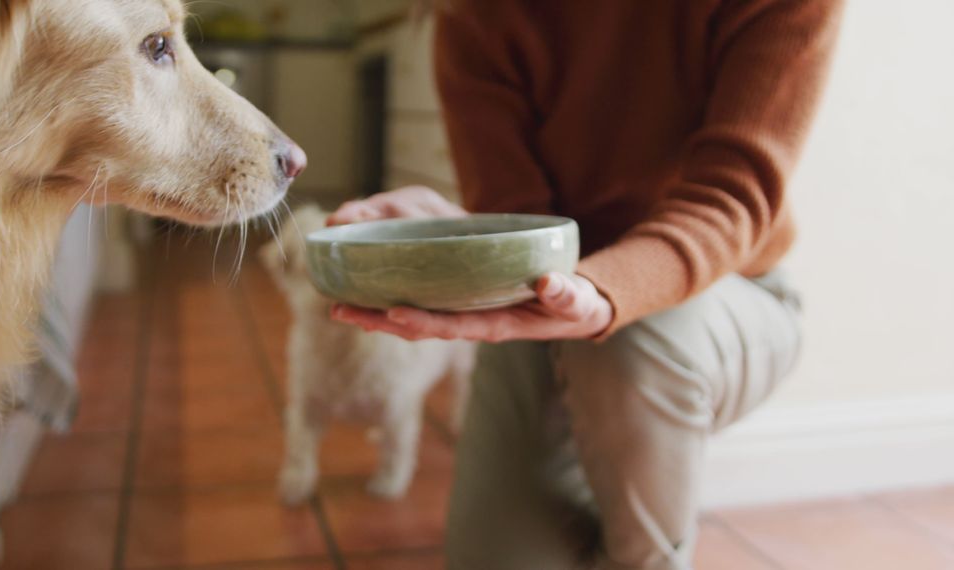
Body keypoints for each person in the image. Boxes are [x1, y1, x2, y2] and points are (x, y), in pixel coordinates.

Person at [328, 1, 844, 568]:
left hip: (725, 294)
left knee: (635, 343)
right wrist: (458, 232)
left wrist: (604, 294)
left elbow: (730, 199)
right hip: (551, 308)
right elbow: (518, 210)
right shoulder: (475, 13)